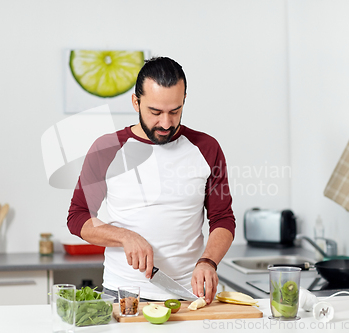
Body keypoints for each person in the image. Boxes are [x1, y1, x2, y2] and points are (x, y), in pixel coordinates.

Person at [67, 56, 235, 304]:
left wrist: (208, 261)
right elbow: (77, 217)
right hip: (123, 296)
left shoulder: (206, 148)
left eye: (174, 111)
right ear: (136, 102)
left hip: (190, 297)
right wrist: (124, 236)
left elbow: (223, 219)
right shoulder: (107, 149)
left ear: (184, 101)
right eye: (155, 112)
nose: (166, 123)